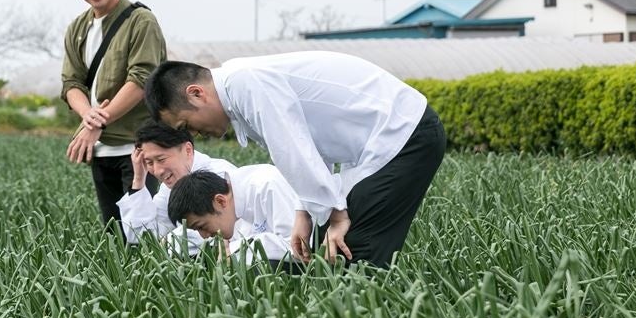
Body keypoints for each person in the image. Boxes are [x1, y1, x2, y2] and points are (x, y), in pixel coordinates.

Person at [143, 51, 446, 268]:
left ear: (197, 94)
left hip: (403, 132)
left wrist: (337, 215)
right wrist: (304, 212)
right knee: (340, 241)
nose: (194, 133)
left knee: (355, 243)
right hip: (384, 142)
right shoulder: (241, 86)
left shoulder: (246, 84)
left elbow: (294, 149)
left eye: (186, 125)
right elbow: (309, 147)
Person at [61, 0, 167, 236]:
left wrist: (99, 120)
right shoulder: (78, 29)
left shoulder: (140, 21)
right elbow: (71, 82)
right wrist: (89, 118)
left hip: (138, 147)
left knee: (145, 235)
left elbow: (142, 78)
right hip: (100, 149)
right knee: (114, 236)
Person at [116, 122, 237, 251]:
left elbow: (213, 233)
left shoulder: (220, 176)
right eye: (149, 162)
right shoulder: (169, 186)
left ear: (188, 150)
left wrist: (166, 241)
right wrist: (139, 180)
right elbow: (143, 235)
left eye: (161, 159)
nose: (157, 171)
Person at [167, 168, 303, 265]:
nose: (204, 235)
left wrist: (232, 250)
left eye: (202, 227)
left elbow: (296, 247)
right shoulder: (231, 207)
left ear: (220, 201)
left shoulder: (267, 186)